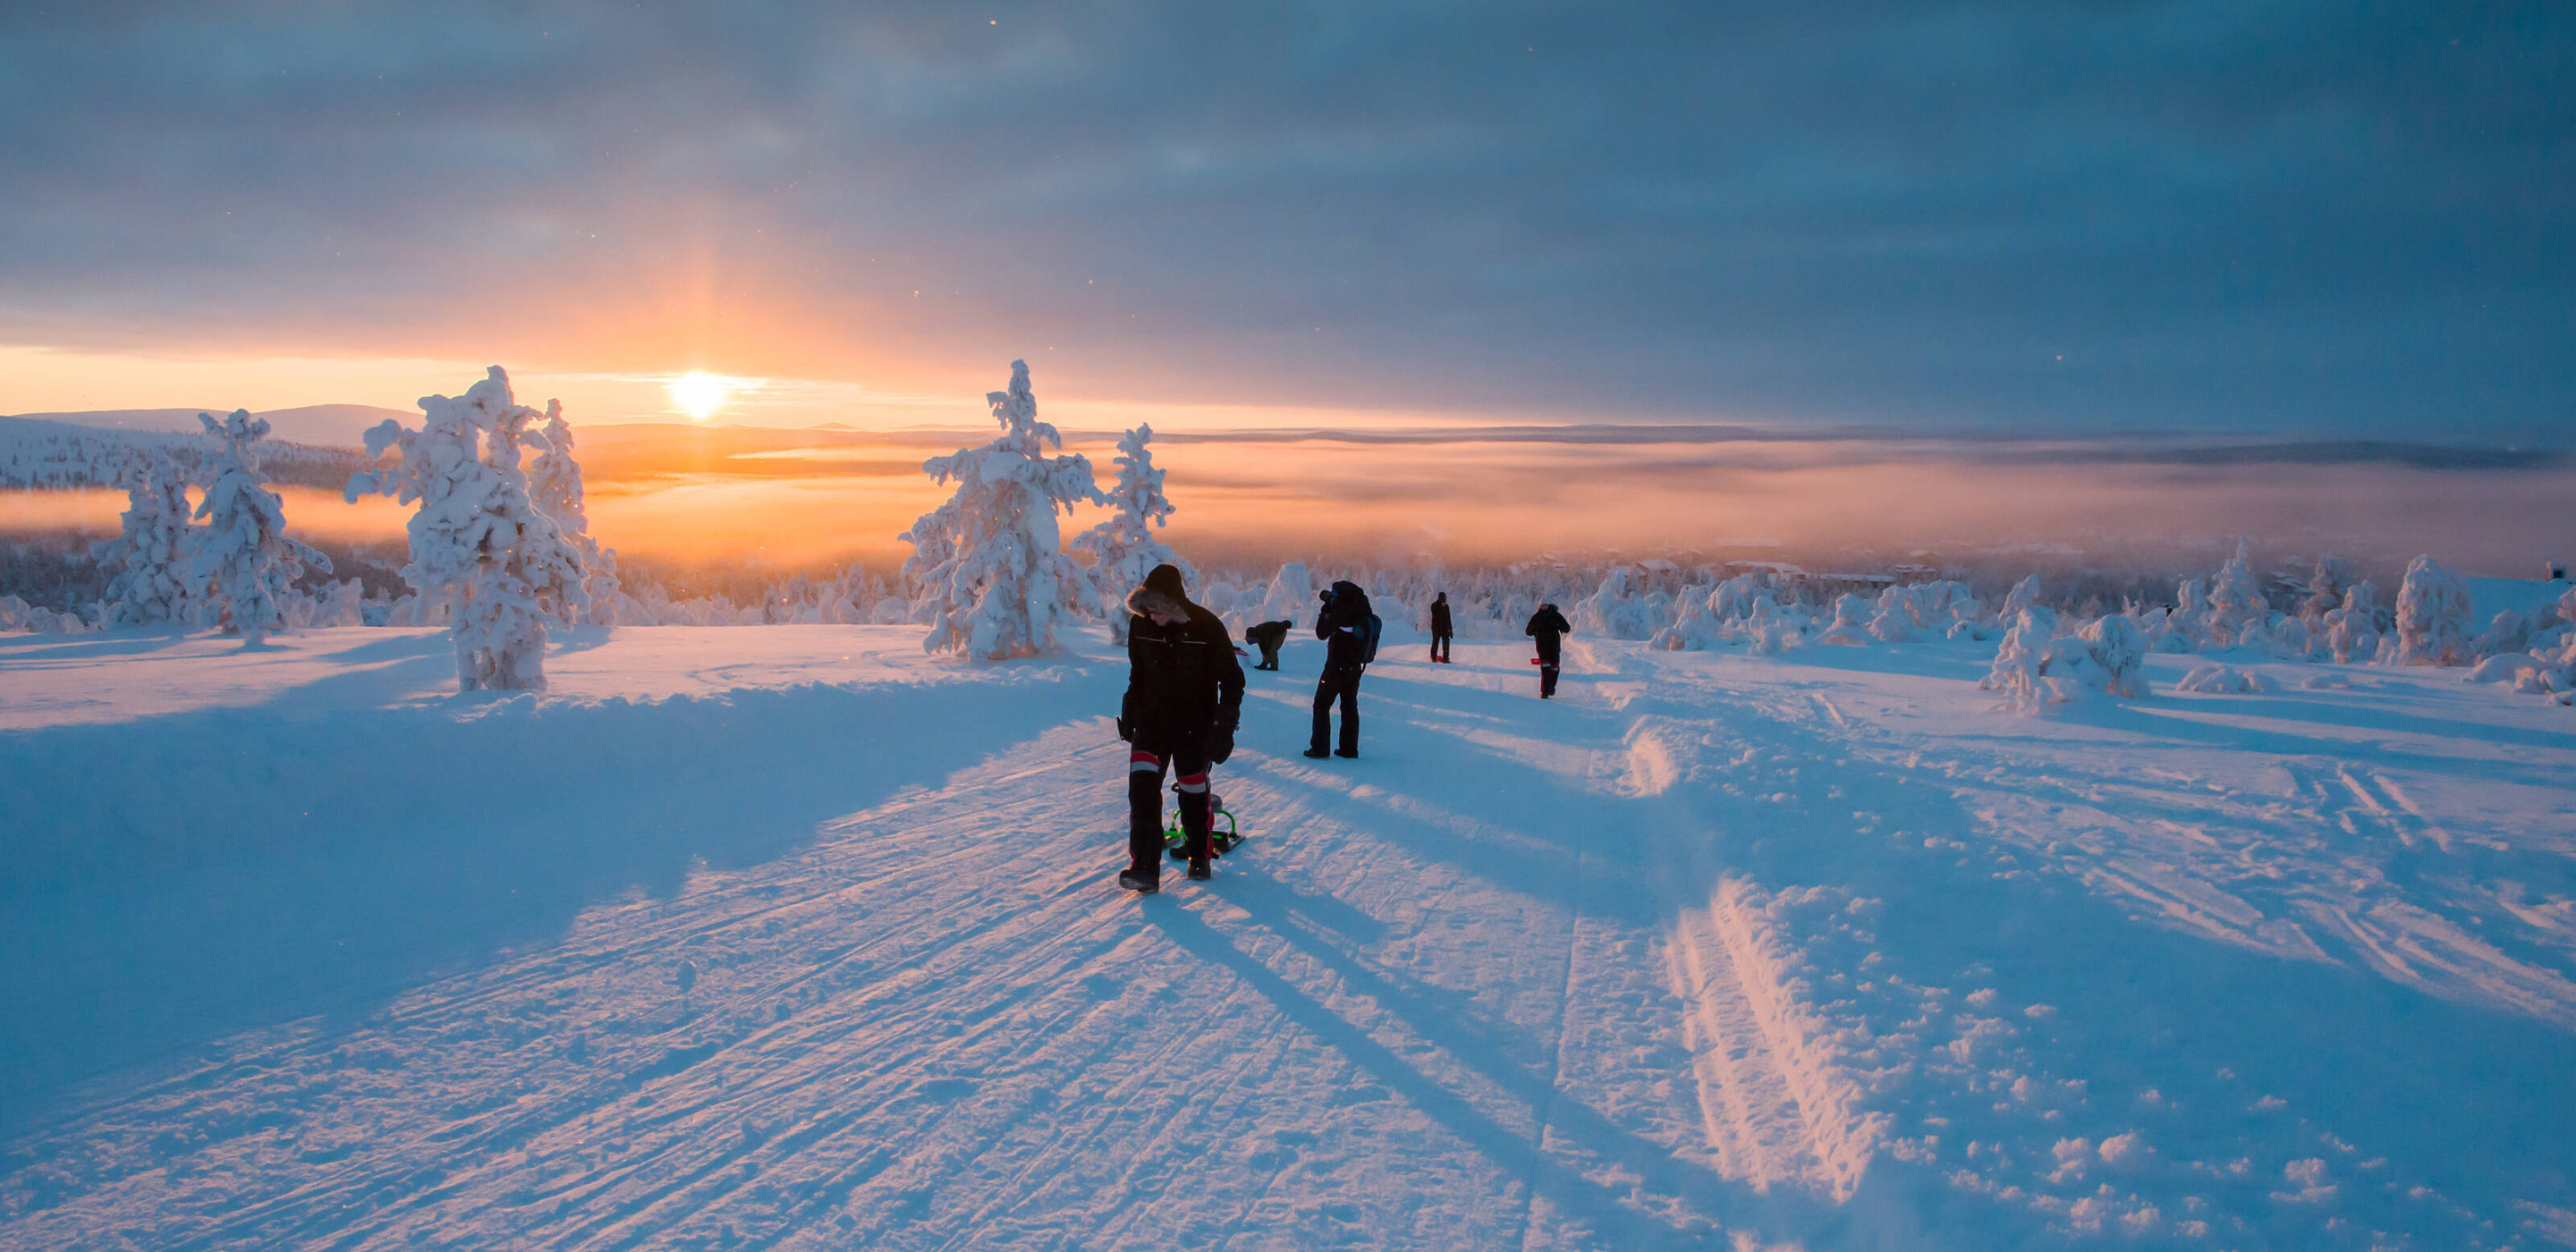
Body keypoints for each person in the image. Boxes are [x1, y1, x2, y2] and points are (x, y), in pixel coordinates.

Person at [1117, 564, 1244, 892]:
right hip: (1151, 724)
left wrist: (1223, 729)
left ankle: (1199, 856)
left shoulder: (1206, 627)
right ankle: (1145, 869)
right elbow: (1138, 675)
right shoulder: (1139, 626)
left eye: (1159, 609)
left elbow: (1232, 683)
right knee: (1142, 793)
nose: (1153, 616)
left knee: (1192, 793)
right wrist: (1129, 715)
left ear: (1175, 604)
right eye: (1148, 609)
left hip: (1194, 726)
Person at [1306, 579, 1372, 758]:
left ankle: (1319, 748)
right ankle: (1349, 749)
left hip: (1337, 666)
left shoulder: (1341, 612)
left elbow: (1321, 633)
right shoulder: (1361, 609)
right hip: (1355, 666)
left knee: (1321, 704)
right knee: (1349, 705)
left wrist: (1326, 609)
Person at [1525, 601, 1571, 698]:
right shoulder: (1536, 617)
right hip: (1542, 646)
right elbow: (1528, 631)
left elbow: (1567, 628)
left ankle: (1551, 687)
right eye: (1542, 605)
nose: (1544, 607)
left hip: (1554, 646)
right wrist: (1536, 628)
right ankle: (1545, 692)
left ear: (1549, 605)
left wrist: (1559, 626)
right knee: (1545, 669)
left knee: (1555, 669)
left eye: (1545, 605)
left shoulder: (1556, 615)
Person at [1428, 591, 1453, 664]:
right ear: (1439, 600)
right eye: (1443, 601)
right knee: (1435, 642)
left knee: (1446, 642)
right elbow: (1436, 616)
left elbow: (1448, 619)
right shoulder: (1434, 606)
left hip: (1444, 628)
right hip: (1436, 628)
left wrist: (1450, 630)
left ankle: (1445, 658)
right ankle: (1433, 657)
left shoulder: (1446, 607)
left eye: (1445, 601)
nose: (1444, 603)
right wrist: (1441, 606)